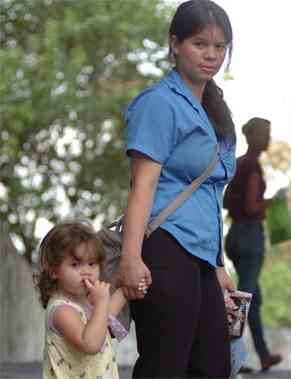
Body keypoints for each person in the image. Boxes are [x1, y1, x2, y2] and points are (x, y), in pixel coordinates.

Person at [117, 1, 238, 377]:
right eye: (200, 44)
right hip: (165, 248)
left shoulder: (216, 112)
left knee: (213, 365)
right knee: (164, 363)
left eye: (220, 47)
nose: (211, 55)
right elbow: (143, 185)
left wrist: (218, 265)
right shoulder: (159, 103)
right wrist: (131, 257)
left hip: (201, 256)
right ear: (175, 44)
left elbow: (209, 197)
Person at [33, 221, 147, 379]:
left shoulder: (84, 300)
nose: (86, 271)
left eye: (92, 264)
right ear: (54, 270)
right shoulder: (61, 310)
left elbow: (105, 318)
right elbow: (91, 343)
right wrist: (101, 303)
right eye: (75, 265)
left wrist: (125, 291)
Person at [223, 117, 283, 373]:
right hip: (249, 236)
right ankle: (226, 355)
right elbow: (251, 206)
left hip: (234, 235)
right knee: (243, 298)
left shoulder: (238, 164)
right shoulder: (253, 167)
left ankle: (264, 354)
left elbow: (226, 201)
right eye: (265, 134)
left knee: (252, 299)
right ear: (254, 137)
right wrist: (273, 202)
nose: (268, 139)